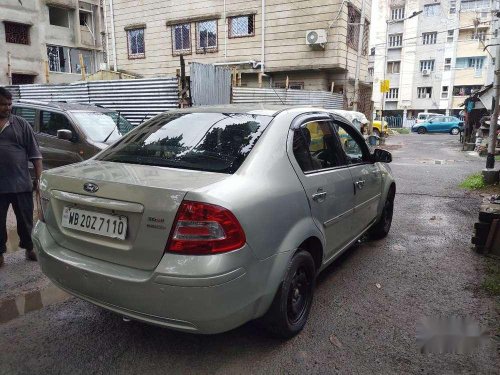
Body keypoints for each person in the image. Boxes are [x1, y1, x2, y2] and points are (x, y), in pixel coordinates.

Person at [0, 87, 42, 267]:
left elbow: (36, 155)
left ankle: (30, 248)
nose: (7, 108)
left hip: (20, 184)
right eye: (2, 104)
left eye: (9, 104)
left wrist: (39, 180)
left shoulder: (21, 124)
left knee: (25, 220)